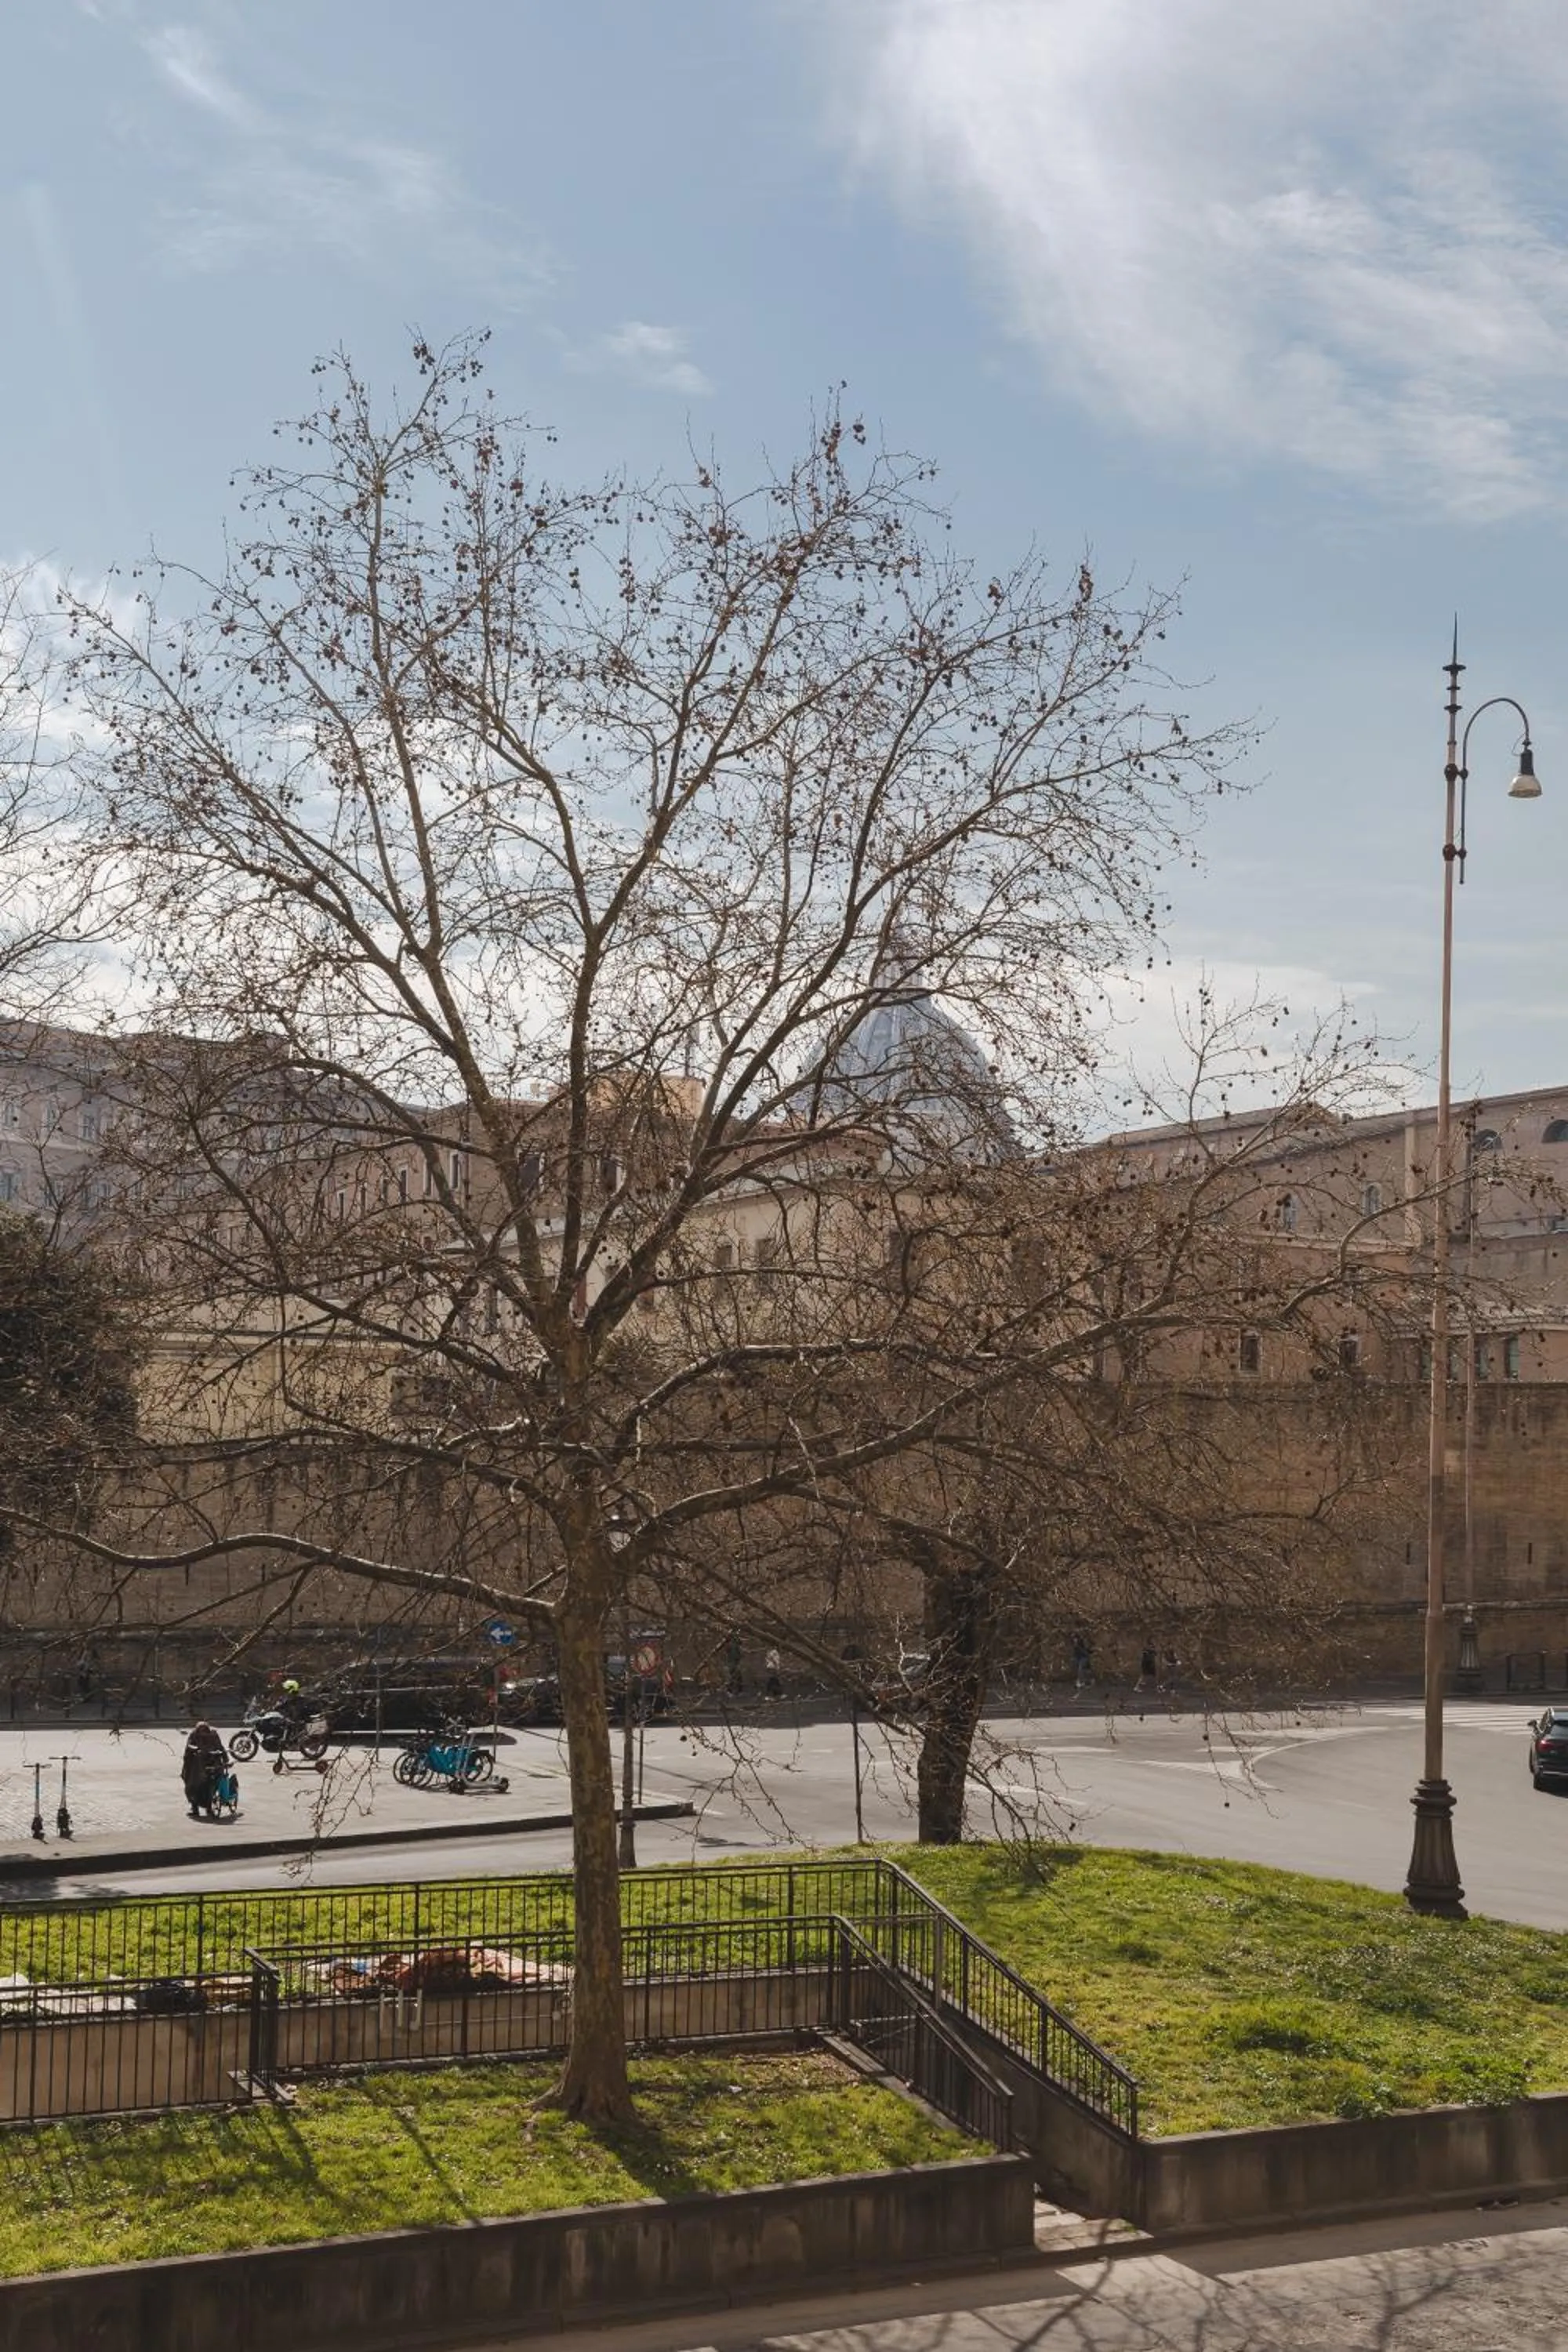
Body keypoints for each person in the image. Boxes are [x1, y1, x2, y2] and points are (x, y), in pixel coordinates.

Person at [181, 1721, 227, 1818]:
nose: (203, 1734)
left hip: (213, 1761)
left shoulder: (214, 1735)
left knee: (213, 1784)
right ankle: (195, 1809)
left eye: (205, 1731)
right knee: (192, 1785)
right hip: (197, 1765)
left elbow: (220, 1747)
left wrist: (225, 1757)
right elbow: (189, 1746)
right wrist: (196, 1749)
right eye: (201, 1732)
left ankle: (209, 1808)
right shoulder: (194, 1735)